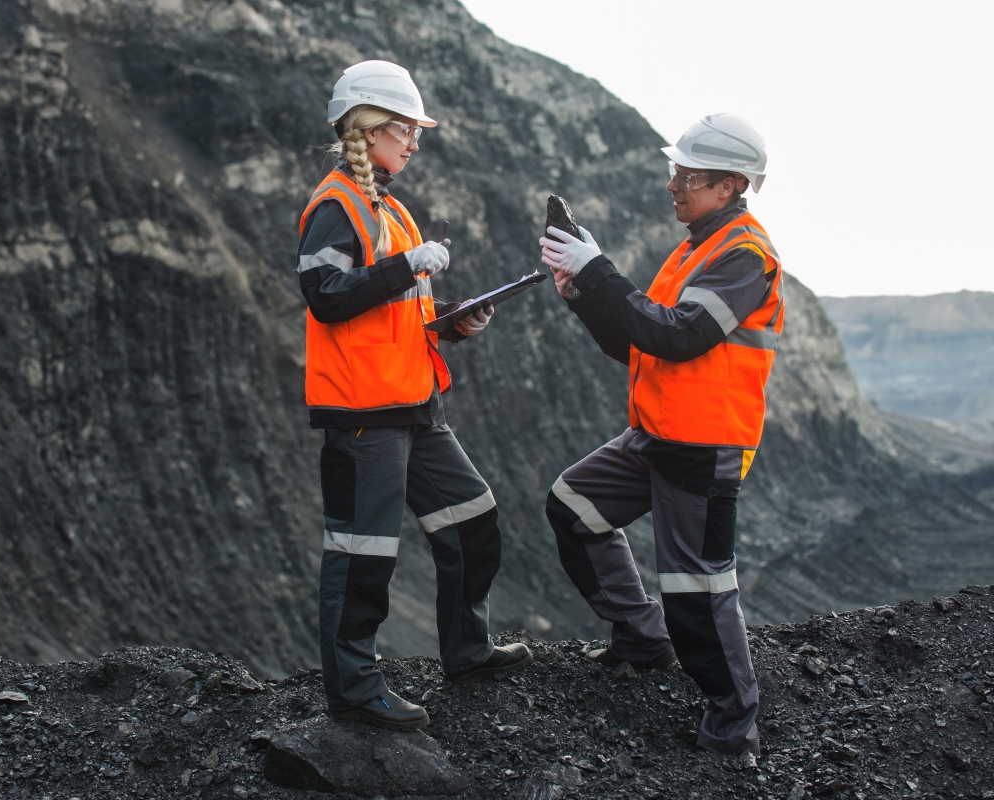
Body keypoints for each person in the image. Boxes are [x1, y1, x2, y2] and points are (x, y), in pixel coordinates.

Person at [537, 114, 781, 759]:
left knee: (699, 591)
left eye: (687, 174)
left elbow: (680, 335)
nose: (672, 183)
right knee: (574, 506)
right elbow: (638, 342)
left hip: (703, 447)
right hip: (655, 435)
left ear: (730, 185)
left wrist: (600, 270)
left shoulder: (744, 255)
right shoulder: (696, 244)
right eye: (674, 169)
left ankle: (733, 729)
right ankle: (643, 636)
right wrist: (583, 290)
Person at [298, 60, 532, 732]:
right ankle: (353, 689)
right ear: (367, 126)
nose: (415, 139)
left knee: (474, 521)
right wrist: (409, 264)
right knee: (362, 552)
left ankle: (467, 649)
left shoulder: (387, 206)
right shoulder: (335, 205)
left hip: (413, 404)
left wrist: (452, 318)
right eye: (405, 127)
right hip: (364, 415)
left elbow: (394, 312)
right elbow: (325, 295)